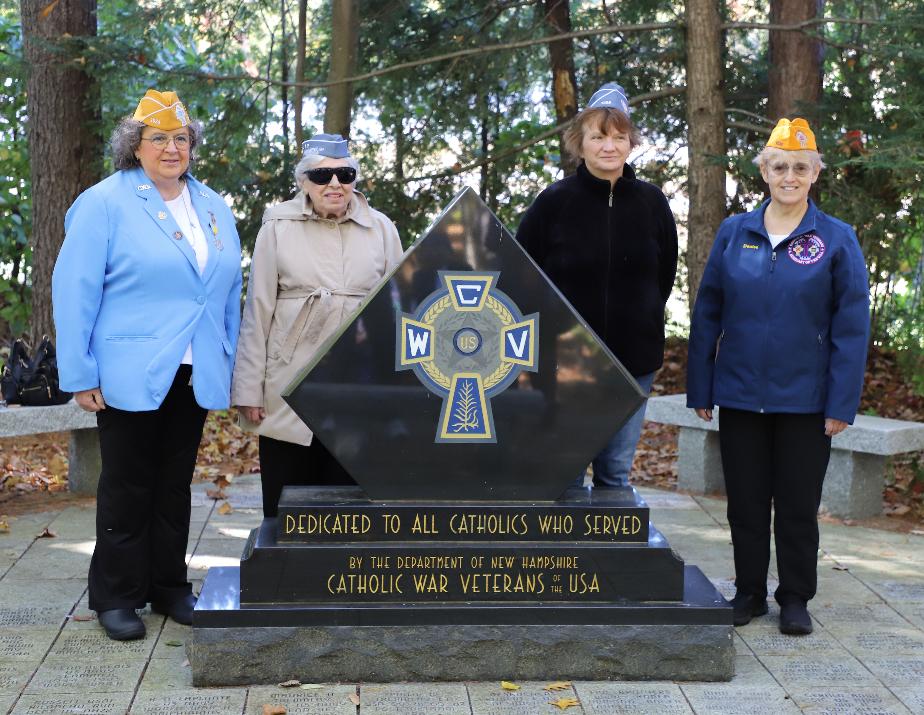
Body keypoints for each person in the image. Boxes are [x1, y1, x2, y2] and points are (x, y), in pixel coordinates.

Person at [52, 90, 243, 640]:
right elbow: (74, 290)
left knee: (174, 483)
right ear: (134, 146)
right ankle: (116, 594)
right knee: (128, 484)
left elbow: (227, 292)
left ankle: (168, 585)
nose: (172, 148)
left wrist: (227, 358)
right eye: (158, 138)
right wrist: (79, 371)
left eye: (181, 138)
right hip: (127, 368)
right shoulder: (105, 202)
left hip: (194, 365)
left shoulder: (211, 204)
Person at [687, 118, 870, 635]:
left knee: (795, 506)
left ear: (814, 174)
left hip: (805, 402)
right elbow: (708, 312)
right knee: (745, 503)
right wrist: (702, 386)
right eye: (779, 166)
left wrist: (841, 404)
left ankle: (794, 597)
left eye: (800, 167)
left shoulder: (836, 239)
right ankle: (748, 592)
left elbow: (852, 328)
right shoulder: (734, 232)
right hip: (741, 394)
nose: (789, 175)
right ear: (764, 172)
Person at [515, 82, 678, 488]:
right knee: (565, 473)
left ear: (630, 143)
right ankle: (566, 554)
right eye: (599, 137)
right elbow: (522, 274)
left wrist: (641, 322)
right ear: (580, 143)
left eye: (619, 137)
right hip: (565, 364)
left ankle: (609, 553)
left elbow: (665, 275)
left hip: (633, 363)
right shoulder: (553, 202)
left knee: (615, 473)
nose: (609, 146)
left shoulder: (653, 203)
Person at [232, 134, 403, 518]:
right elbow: (258, 309)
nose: (335, 184)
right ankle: (284, 577)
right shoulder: (277, 227)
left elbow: (399, 311)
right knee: (286, 504)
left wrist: (397, 387)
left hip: (360, 387)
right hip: (290, 381)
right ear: (303, 182)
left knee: (350, 507)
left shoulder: (381, 229)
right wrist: (249, 389)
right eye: (322, 176)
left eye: (344, 174)